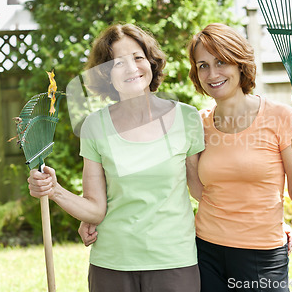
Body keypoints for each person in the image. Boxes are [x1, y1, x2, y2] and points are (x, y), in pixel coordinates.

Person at [28, 23, 205, 292]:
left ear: (151, 62)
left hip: (174, 262)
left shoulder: (187, 117)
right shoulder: (95, 126)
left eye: (137, 57)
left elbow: (203, 191)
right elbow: (95, 209)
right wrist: (54, 190)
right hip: (112, 264)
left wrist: (264, 220)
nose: (132, 68)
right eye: (118, 63)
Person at [186, 23, 292, 292]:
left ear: (239, 64)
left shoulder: (280, 117)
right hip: (206, 252)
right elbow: (199, 191)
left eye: (221, 61)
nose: (212, 73)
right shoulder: (198, 124)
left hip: (262, 255)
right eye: (203, 65)